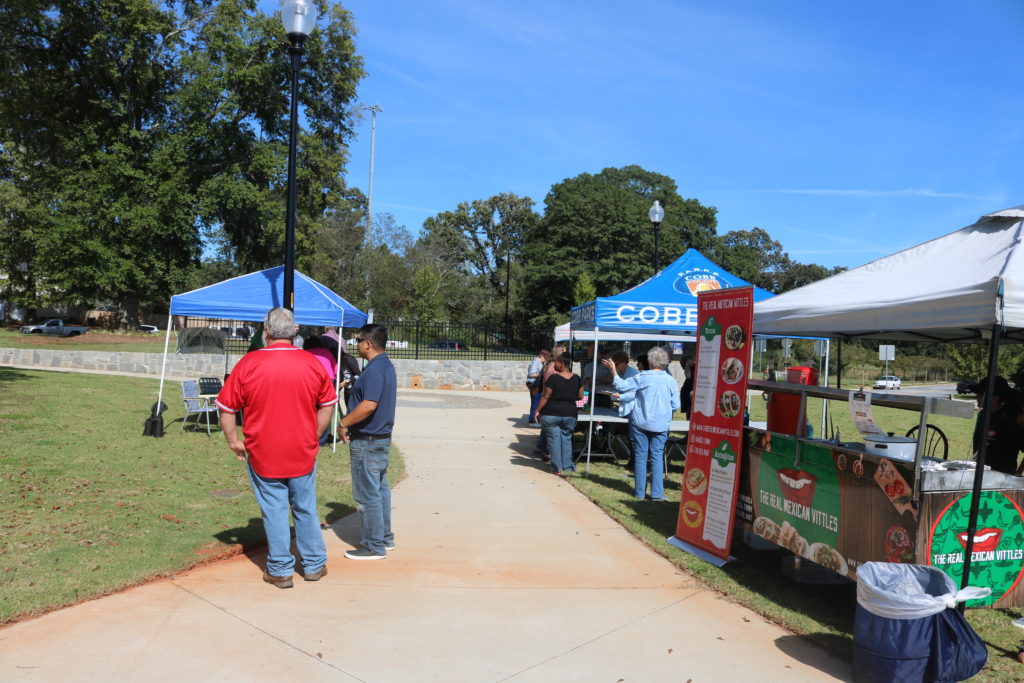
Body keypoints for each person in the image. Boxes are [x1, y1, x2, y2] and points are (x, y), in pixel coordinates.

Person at [216, 307, 337, 588]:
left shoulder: (249, 363)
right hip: (302, 450)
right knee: (305, 507)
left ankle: (281, 569)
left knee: (274, 509)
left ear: (265, 330)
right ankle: (314, 564)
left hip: (263, 451)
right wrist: (315, 434)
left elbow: (226, 408)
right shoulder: (311, 363)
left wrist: (233, 441)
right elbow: (328, 404)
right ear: (294, 331)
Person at [337, 324, 398, 560]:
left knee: (367, 494)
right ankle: (384, 538)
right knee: (380, 490)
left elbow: (369, 405)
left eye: (358, 340)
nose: (357, 344)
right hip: (379, 439)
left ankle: (374, 546)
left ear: (368, 344)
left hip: (369, 441)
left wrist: (344, 423)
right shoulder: (385, 366)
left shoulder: (374, 370)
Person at [603, 346, 679, 501]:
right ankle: (657, 494)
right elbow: (675, 405)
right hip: (661, 424)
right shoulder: (670, 380)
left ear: (650, 362)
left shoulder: (642, 377)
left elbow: (621, 386)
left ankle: (640, 493)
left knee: (640, 456)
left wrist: (613, 370)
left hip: (640, 422)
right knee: (657, 457)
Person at [536, 353, 584, 476]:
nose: (553, 364)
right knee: (566, 439)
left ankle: (557, 468)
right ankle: (567, 467)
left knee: (554, 440)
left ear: (562, 364)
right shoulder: (577, 378)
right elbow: (580, 396)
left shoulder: (553, 378)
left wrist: (537, 410)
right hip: (570, 414)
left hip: (551, 413)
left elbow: (546, 396)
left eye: (556, 362)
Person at [972, 376, 1024, 475]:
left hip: (1001, 477)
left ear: (995, 397)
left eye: (981, 394)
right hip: (979, 473)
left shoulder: (1008, 419)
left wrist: (1018, 472)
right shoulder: (983, 414)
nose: (977, 397)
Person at [526, 349, 550, 425]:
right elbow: (531, 374)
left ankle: (533, 417)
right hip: (533, 383)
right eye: (547, 355)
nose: (547, 357)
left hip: (537, 383)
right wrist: (542, 375)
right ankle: (532, 418)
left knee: (535, 400)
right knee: (535, 400)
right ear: (543, 354)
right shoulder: (536, 361)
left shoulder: (542, 363)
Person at [679, 355, 695, 420]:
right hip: (688, 400)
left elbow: (688, 376)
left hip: (690, 400)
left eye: (683, 365)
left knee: (690, 417)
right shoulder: (691, 369)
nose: (683, 368)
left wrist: (687, 365)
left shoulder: (691, 368)